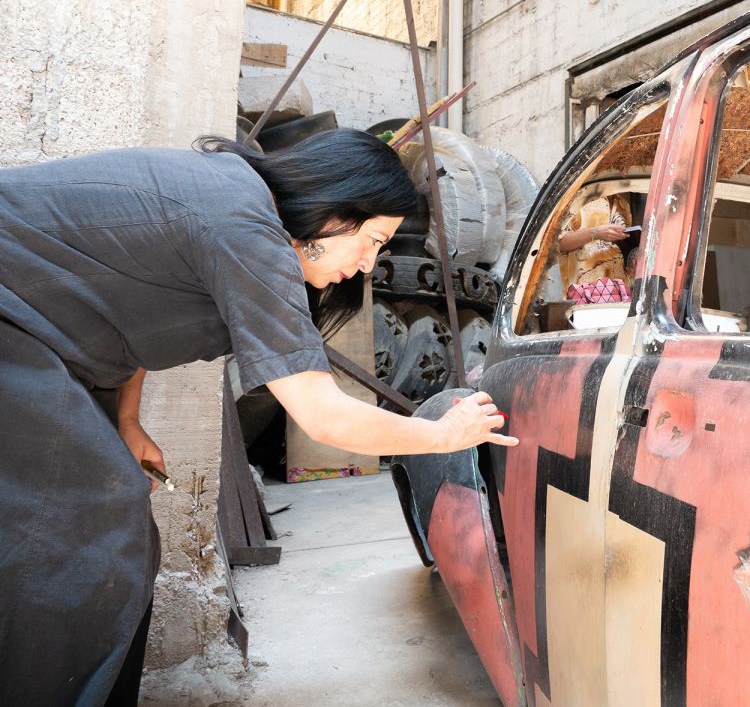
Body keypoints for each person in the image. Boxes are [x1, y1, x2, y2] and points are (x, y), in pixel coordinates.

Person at [0, 129, 516, 707]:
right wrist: (442, 434)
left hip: (43, 343)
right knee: (76, 540)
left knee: (110, 538)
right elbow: (322, 415)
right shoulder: (246, 228)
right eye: (372, 239)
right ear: (333, 206)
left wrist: (127, 421)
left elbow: (133, 309)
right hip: (15, 328)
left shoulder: (235, 205)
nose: (370, 263)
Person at [557, 193, 633, 304]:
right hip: (585, 291)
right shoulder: (570, 200)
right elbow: (557, 244)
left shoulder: (621, 202)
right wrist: (595, 233)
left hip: (619, 290)